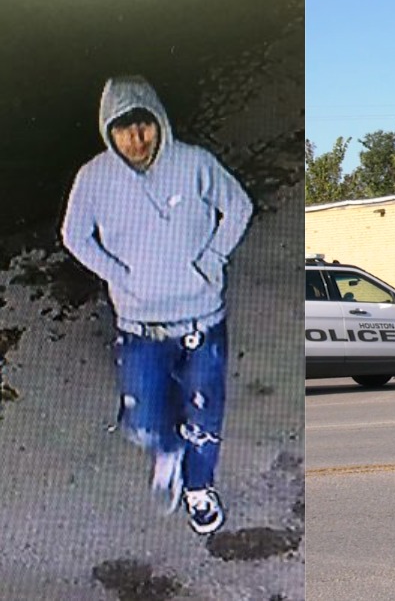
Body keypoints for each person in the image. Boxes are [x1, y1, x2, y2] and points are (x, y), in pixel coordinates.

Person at [61, 76, 252, 535]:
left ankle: (198, 488)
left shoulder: (195, 164)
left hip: (201, 319)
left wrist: (210, 258)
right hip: (139, 323)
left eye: (144, 125)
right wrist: (118, 274)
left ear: (158, 122)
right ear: (109, 132)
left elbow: (239, 206)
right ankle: (167, 449)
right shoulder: (94, 178)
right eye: (124, 129)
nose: (137, 138)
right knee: (144, 417)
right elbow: (74, 236)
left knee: (204, 414)